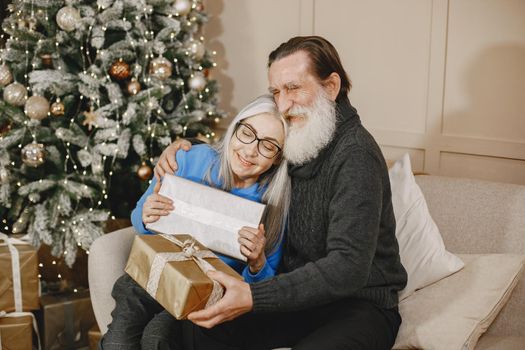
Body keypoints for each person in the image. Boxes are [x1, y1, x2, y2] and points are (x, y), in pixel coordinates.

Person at [155, 36, 408, 350]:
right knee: (202, 326)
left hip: (359, 306)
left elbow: (348, 267)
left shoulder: (356, 155)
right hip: (298, 299)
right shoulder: (297, 136)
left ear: (331, 87)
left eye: (293, 88)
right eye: (276, 91)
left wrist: (253, 296)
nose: (283, 105)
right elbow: (246, 144)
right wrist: (183, 147)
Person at [100, 95, 291, 350]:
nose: (250, 150)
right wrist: (147, 215)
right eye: (247, 133)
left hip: (201, 296)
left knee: (157, 338)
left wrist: (257, 263)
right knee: (118, 342)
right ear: (234, 130)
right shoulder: (191, 158)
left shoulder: (273, 206)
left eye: (267, 146)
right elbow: (139, 217)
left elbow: (260, 287)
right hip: (153, 275)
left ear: (277, 158)